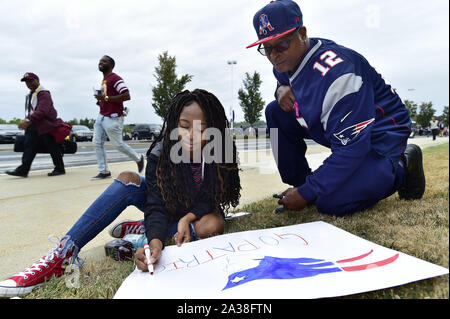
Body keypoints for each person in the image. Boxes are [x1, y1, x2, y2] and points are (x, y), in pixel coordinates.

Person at [0, 89, 241, 297]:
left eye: (200, 129)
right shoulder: (162, 152)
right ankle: (63, 254)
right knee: (127, 179)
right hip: (166, 204)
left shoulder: (220, 151)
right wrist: (154, 242)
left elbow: (213, 197)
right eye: (184, 126)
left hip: (192, 212)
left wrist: (188, 218)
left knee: (211, 225)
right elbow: (156, 204)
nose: (190, 136)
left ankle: (140, 229)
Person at [246, 0, 425, 216]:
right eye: (267, 48)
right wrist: (280, 89)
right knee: (275, 110)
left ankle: (403, 165)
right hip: (347, 130)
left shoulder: (340, 75)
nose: (274, 55)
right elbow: (282, 75)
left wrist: (308, 192)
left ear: (302, 33)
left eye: (281, 44)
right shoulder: (290, 59)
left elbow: (351, 149)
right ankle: (299, 181)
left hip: (380, 135)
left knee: (331, 203)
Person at [92, 55, 144, 180]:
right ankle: (104, 171)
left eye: (104, 61)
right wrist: (100, 100)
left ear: (111, 65)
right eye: (100, 61)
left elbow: (126, 95)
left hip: (113, 117)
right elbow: (107, 98)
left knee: (117, 144)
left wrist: (105, 98)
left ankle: (138, 158)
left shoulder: (115, 79)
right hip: (102, 115)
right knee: (97, 142)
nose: (101, 62)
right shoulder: (104, 80)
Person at [6, 72, 65, 178]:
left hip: (46, 125)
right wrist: (28, 121)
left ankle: (60, 168)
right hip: (34, 125)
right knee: (29, 147)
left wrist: (27, 120)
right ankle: (23, 170)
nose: (28, 84)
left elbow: (42, 111)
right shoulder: (31, 95)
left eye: (30, 81)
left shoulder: (43, 94)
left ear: (37, 81)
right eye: (26, 82)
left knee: (52, 147)